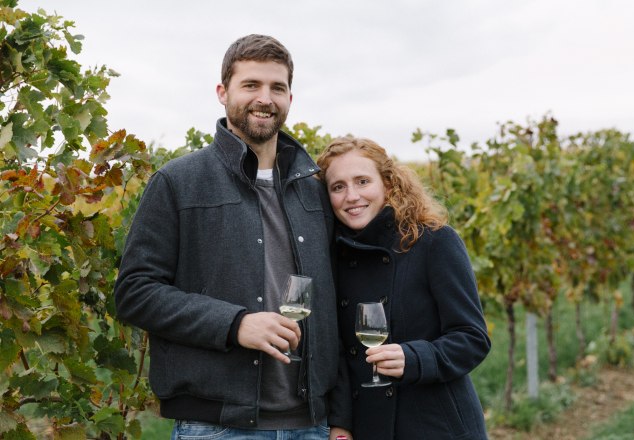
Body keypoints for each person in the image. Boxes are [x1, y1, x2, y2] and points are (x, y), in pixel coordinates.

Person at [114, 34, 351, 440]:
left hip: (313, 425)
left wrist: (342, 416)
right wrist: (234, 324)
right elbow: (134, 293)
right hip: (217, 427)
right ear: (223, 93)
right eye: (251, 85)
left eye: (277, 87)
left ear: (290, 98)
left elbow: (338, 307)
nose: (265, 98)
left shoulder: (314, 191)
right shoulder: (178, 182)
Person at [316, 137, 491, 440]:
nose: (352, 196)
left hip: (437, 427)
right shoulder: (332, 256)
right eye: (338, 187)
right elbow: (340, 355)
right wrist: (341, 423)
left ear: (387, 183)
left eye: (362, 181)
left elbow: (473, 338)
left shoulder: (434, 241)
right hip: (369, 427)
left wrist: (414, 358)